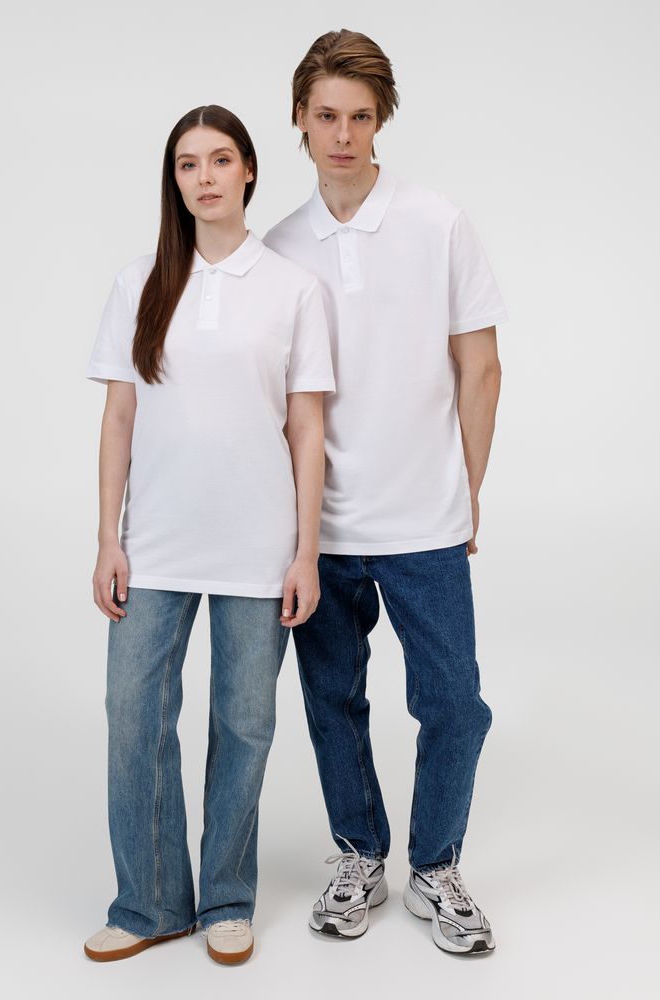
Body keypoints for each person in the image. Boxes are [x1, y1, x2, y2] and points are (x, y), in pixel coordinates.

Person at [263, 30, 507, 955]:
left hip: (425, 518)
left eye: (361, 117)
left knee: (454, 704)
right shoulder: (279, 247)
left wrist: (468, 486)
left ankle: (435, 865)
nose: (343, 135)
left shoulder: (438, 222)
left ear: (382, 120)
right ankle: (360, 853)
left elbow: (480, 365)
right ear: (299, 117)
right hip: (319, 527)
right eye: (326, 115)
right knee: (333, 698)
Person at [83, 105, 335, 966]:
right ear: (175, 181)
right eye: (188, 164)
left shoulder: (292, 288)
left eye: (220, 159)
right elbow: (119, 417)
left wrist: (305, 551)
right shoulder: (140, 283)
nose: (205, 177)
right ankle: (151, 902)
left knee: (246, 724)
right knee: (133, 715)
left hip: (260, 547)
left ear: (250, 169)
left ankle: (227, 898)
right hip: (155, 542)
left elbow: (307, 427)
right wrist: (108, 537)